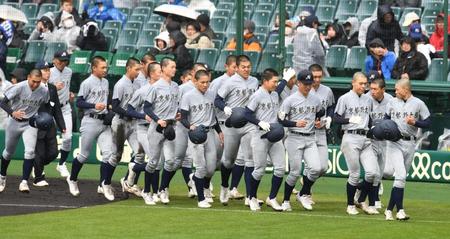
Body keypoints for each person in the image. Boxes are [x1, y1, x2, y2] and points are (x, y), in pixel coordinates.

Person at [127, 58, 179, 205]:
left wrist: (178, 114)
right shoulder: (155, 87)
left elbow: (176, 105)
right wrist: (157, 119)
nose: (174, 69)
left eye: (175, 67)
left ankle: (162, 190)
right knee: (154, 163)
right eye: (172, 67)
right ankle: (146, 192)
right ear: (163, 69)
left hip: (170, 127)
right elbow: (147, 107)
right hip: (156, 128)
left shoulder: (176, 86)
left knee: (170, 161)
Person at [214, 55, 259, 205]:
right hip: (232, 124)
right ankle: (225, 186)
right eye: (243, 67)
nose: (246, 69)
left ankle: (250, 196)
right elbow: (217, 100)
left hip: (248, 124)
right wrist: (225, 107)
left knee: (250, 159)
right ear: (237, 68)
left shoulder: (254, 81)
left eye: (248, 67)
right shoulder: (229, 82)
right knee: (228, 161)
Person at [384, 79, 431, 221]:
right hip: (395, 142)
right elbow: (386, 119)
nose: (395, 91)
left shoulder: (418, 103)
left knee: (400, 179)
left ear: (406, 89)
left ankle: (388, 210)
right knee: (401, 175)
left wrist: (416, 122)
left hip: (410, 143)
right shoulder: (392, 102)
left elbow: (428, 121)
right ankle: (400, 210)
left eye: (398, 89)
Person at [334, 72, 380, 215]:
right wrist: (349, 120)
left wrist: (372, 128)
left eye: (365, 83)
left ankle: (359, 198)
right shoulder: (345, 98)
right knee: (354, 174)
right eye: (360, 83)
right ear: (353, 83)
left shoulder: (368, 99)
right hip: (350, 137)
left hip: (365, 138)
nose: (363, 86)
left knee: (372, 173)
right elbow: (336, 117)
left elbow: (369, 118)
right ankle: (350, 205)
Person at [66, 56, 113, 197]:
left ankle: (103, 184)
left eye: (106, 67)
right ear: (94, 68)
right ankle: (73, 179)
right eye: (102, 67)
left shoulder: (105, 82)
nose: (105, 70)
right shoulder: (87, 83)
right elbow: (79, 102)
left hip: (103, 122)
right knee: (84, 155)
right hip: (90, 121)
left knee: (108, 155)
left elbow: (105, 100)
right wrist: (93, 105)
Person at [278, 70, 325, 211]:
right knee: (295, 172)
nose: (308, 86)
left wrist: (319, 120)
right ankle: (286, 201)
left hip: (310, 137)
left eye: (310, 84)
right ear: (298, 83)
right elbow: (281, 119)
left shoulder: (315, 98)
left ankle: (303, 193)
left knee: (316, 168)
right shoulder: (290, 100)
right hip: (294, 137)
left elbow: (320, 112)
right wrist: (294, 123)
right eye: (305, 84)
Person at [99, 57, 145, 201]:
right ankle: (105, 184)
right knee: (116, 155)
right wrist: (132, 113)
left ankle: (128, 183)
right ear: (128, 68)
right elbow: (115, 106)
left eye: (139, 69)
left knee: (140, 153)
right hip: (120, 123)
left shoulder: (138, 82)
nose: (138, 72)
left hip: (134, 123)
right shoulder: (121, 84)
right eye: (136, 69)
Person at [0, 69, 49, 193]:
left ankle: (24, 182)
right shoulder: (19, 87)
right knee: (8, 152)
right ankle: (2, 176)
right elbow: (3, 102)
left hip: (30, 123)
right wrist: (12, 112)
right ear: (28, 77)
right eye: (33, 81)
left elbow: (45, 104)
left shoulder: (44, 90)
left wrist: (42, 117)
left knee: (30, 151)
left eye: (38, 82)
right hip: (14, 121)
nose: (35, 84)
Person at [244, 68, 286, 211]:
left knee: (280, 169)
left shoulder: (274, 94)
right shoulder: (257, 95)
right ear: (265, 81)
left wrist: (285, 80)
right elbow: (246, 114)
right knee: (259, 170)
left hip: (274, 135)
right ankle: (252, 197)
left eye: (277, 81)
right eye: (274, 81)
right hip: (259, 135)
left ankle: (272, 198)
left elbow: (279, 89)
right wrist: (259, 122)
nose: (276, 84)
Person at [180, 69, 222, 208]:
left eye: (207, 82)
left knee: (211, 168)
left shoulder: (211, 94)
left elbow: (213, 115)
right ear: (195, 81)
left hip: (209, 132)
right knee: (201, 168)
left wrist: (219, 130)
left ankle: (197, 181)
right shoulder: (188, 96)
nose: (205, 85)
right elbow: (183, 117)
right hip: (196, 134)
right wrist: (190, 126)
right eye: (202, 82)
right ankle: (201, 199)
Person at [209, 55, 246, 200]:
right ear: (228, 67)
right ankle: (206, 185)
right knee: (215, 160)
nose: (236, 70)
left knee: (238, 159)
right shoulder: (219, 82)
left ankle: (233, 188)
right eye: (234, 67)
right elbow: (212, 101)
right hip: (221, 124)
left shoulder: (249, 82)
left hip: (240, 125)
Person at [126, 62, 161, 203]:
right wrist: (142, 115)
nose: (161, 73)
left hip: (158, 128)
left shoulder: (165, 90)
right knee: (154, 159)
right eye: (159, 71)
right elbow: (129, 109)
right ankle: (148, 192)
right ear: (152, 74)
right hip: (143, 128)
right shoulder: (142, 91)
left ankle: (136, 167)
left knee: (158, 162)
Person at [33, 61, 66, 187]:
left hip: (50, 125)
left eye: (48, 70)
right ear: (38, 72)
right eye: (45, 70)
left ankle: (36, 164)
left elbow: (56, 108)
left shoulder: (52, 88)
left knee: (53, 153)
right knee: (39, 152)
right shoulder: (33, 87)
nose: (48, 72)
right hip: (37, 124)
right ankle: (39, 177)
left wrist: (62, 125)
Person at [365, 77, 393, 209]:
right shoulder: (365, 98)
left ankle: (363, 191)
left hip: (384, 140)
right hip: (369, 139)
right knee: (373, 171)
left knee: (382, 171)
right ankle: (372, 198)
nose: (372, 91)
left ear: (383, 89)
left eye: (375, 89)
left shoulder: (391, 100)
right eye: (371, 88)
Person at [48, 51, 74, 178]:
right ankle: (38, 166)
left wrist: (70, 93)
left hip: (64, 107)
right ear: (54, 60)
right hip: (50, 108)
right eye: (60, 60)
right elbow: (39, 88)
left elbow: (67, 87)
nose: (63, 63)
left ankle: (62, 164)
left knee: (68, 138)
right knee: (44, 139)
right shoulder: (48, 72)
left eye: (65, 60)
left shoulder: (69, 71)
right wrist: (52, 87)